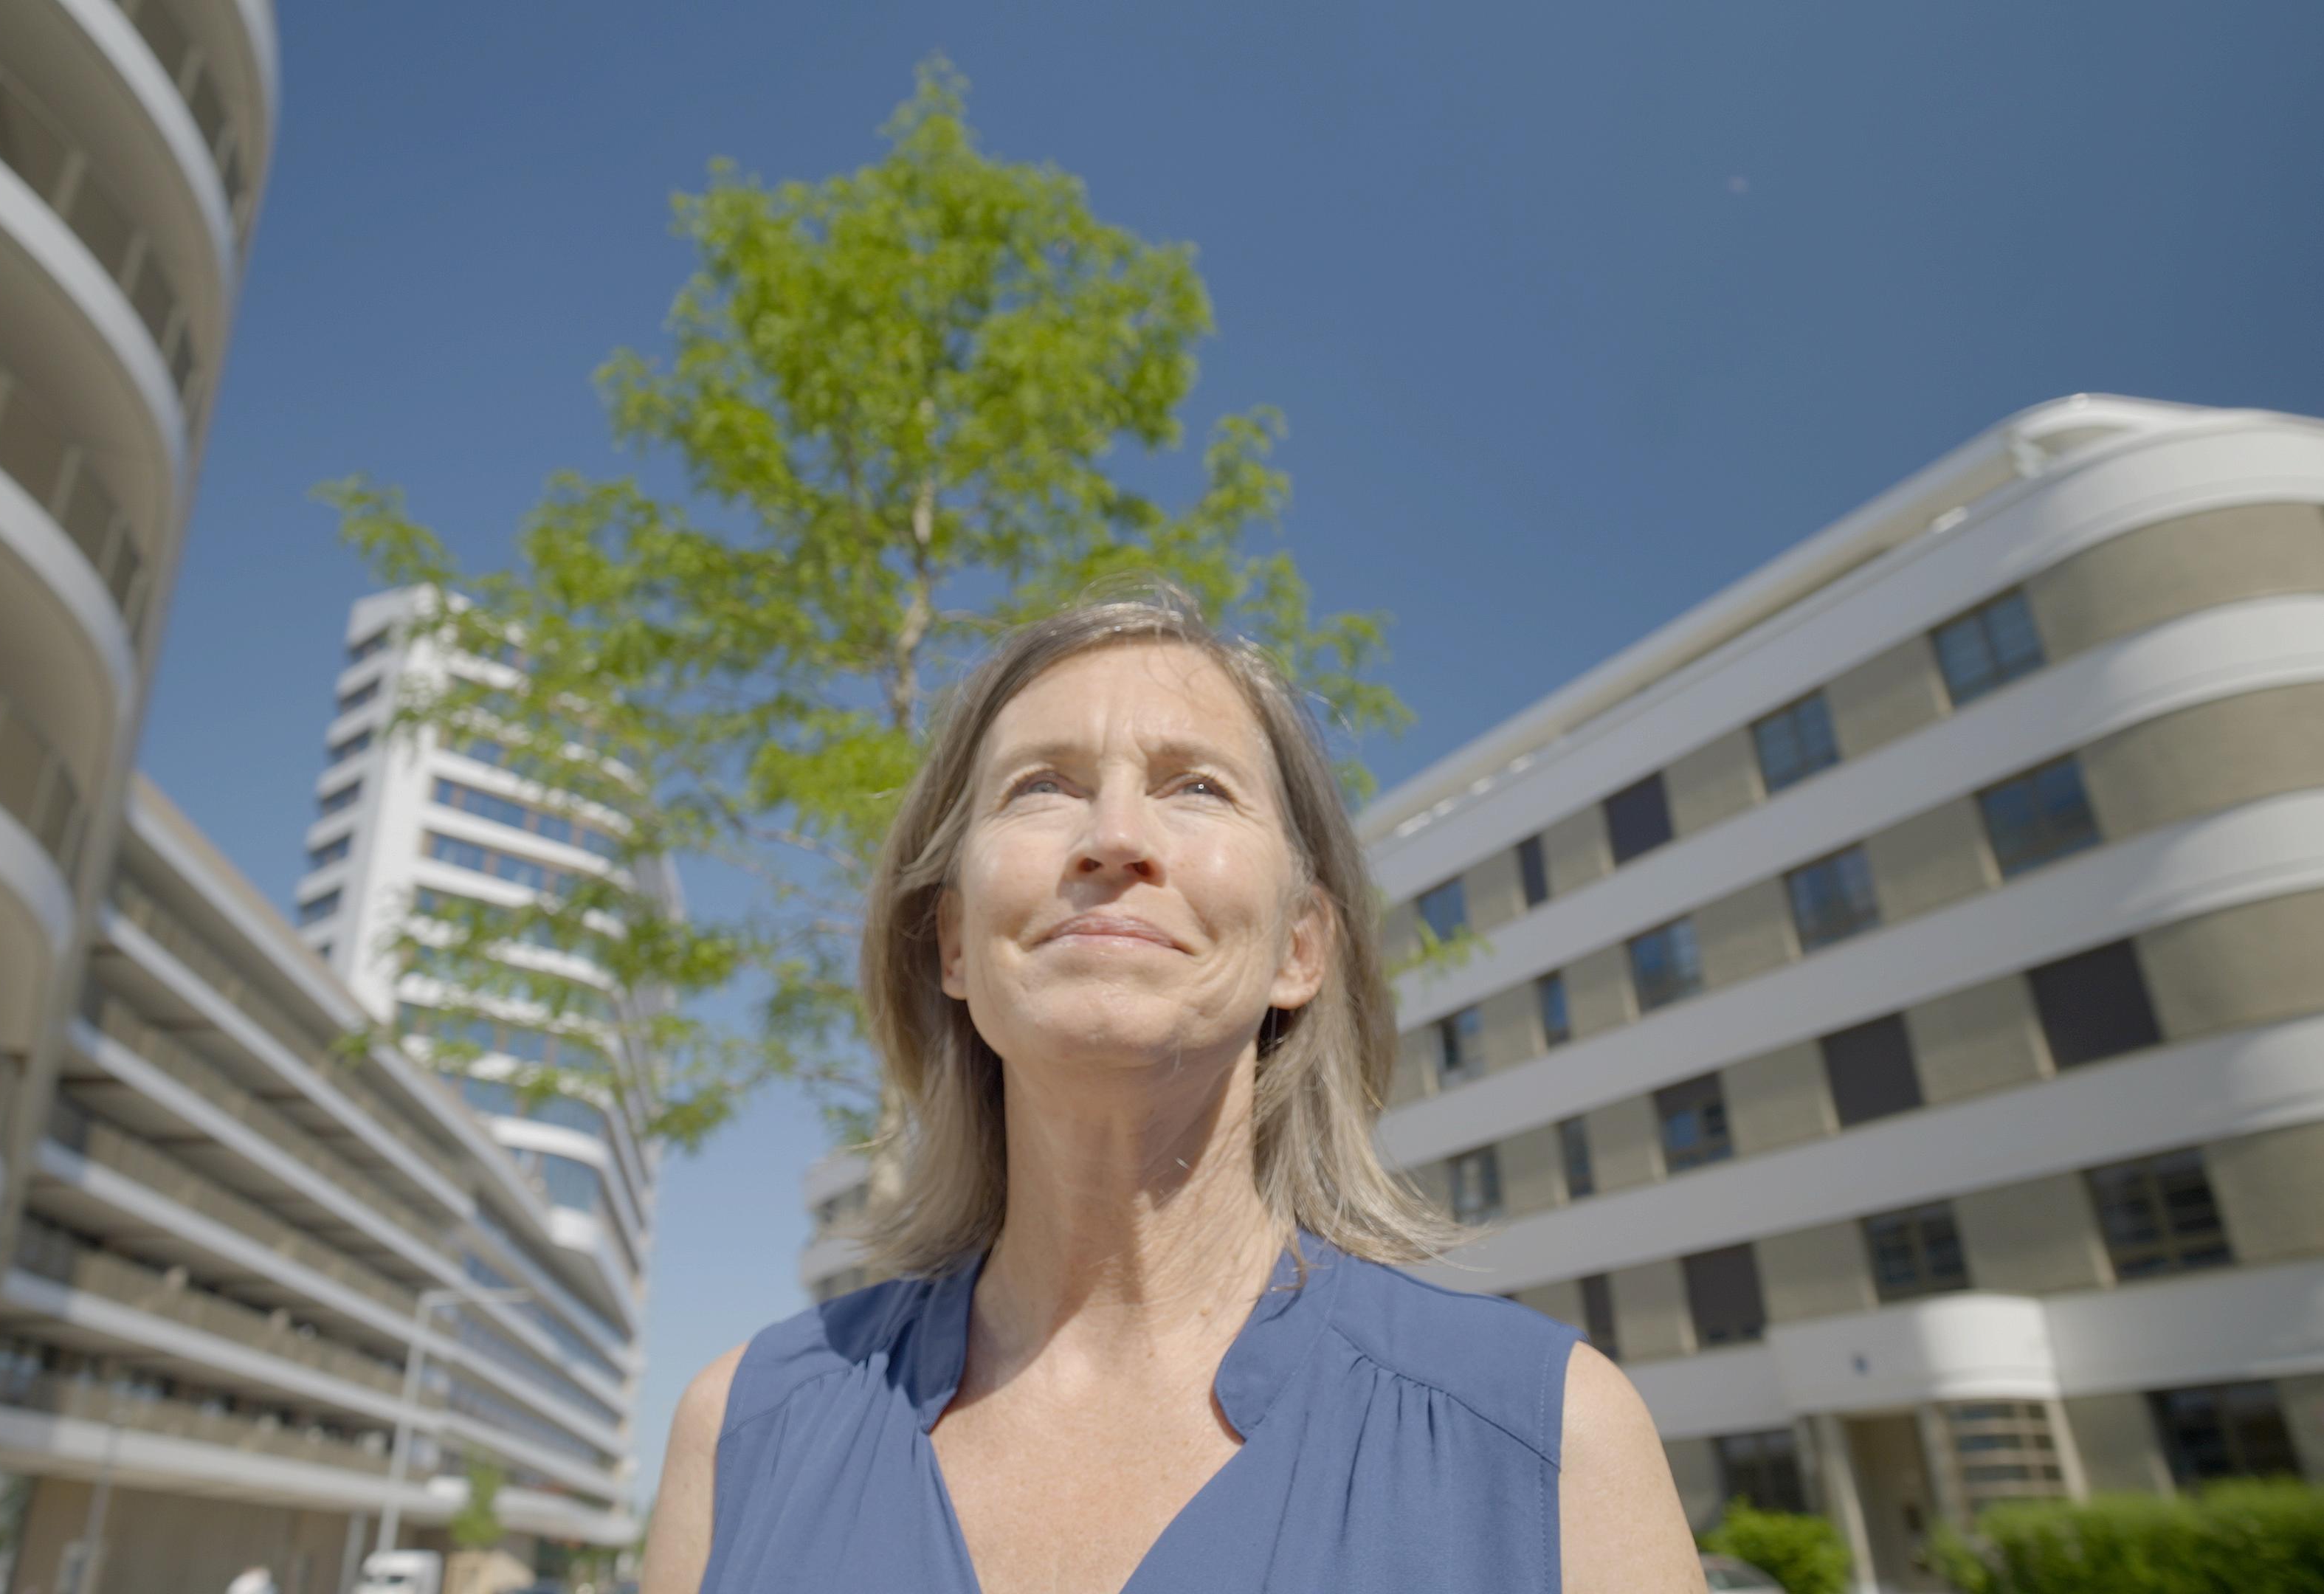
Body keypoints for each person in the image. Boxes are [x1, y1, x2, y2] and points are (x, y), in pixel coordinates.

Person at [642, 584, 1700, 1593]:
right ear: (954, 942)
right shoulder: (740, 1435)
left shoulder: (1555, 1440)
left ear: (1300, 947)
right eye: (1041, 785)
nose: (1113, 839)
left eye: (1197, 785)